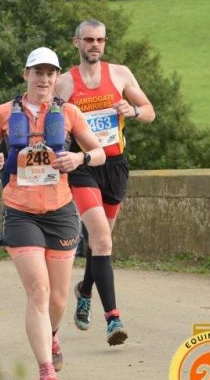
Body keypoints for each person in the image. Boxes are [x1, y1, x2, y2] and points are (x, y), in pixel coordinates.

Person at [0, 47, 105, 380]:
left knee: (60, 300)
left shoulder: (69, 113)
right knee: (39, 290)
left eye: (50, 73)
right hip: (20, 211)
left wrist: (79, 158)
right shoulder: (5, 113)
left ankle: (51, 333)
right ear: (26, 75)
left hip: (61, 211)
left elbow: (99, 152)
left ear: (56, 77)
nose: (44, 79)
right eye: (38, 72)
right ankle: (46, 372)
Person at [55, 19, 155, 346]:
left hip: (115, 165)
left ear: (105, 43)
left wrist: (133, 111)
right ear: (76, 43)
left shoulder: (121, 74)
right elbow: (48, 123)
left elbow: (149, 110)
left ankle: (84, 290)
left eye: (99, 40)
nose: (94, 45)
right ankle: (113, 319)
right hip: (83, 166)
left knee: (103, 242)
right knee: (100, 238)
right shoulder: (65, 83)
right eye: (88, 39)